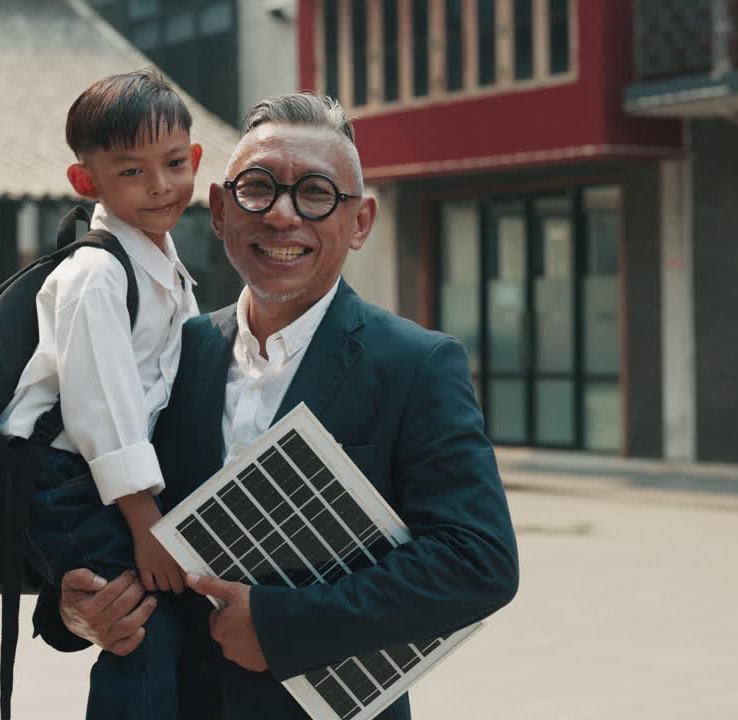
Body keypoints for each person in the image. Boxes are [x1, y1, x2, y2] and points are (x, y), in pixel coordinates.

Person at [32, 92, 520, 720]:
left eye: (317, 194)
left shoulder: (415, 365)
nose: (282, 216)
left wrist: (285, 625)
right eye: (257, 189)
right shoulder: (171, 352)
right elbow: (87, 501)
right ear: (217, 209)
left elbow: (477, 561)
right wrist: (73, 609)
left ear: (362, 222)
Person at [0, 69, 203, 719]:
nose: (161, 185)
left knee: (162, 627)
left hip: (106, 479)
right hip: (70, 479)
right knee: (139, 631)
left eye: (173, 163)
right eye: (132, 171)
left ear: (195, 159)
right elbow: (100, 408)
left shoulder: (165, 264)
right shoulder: (96, 275)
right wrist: (146, 525)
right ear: (87, 182)